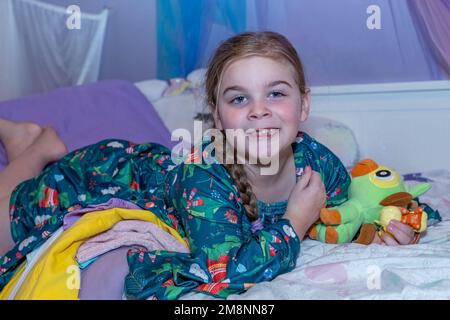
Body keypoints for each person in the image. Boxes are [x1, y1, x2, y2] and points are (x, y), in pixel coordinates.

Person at [0, 31, 416, 300]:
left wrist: (389, 229)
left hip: (153, 167)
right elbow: (222, 271)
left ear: (303, 104)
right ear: (217, 118)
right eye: (239, 99)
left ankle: (30, 144)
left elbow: (361, 203)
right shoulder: (206, 177)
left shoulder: (317, 160)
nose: (258, 111)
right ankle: (33, 147)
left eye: (275, 94)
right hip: (101, 177)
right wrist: (291, 222)